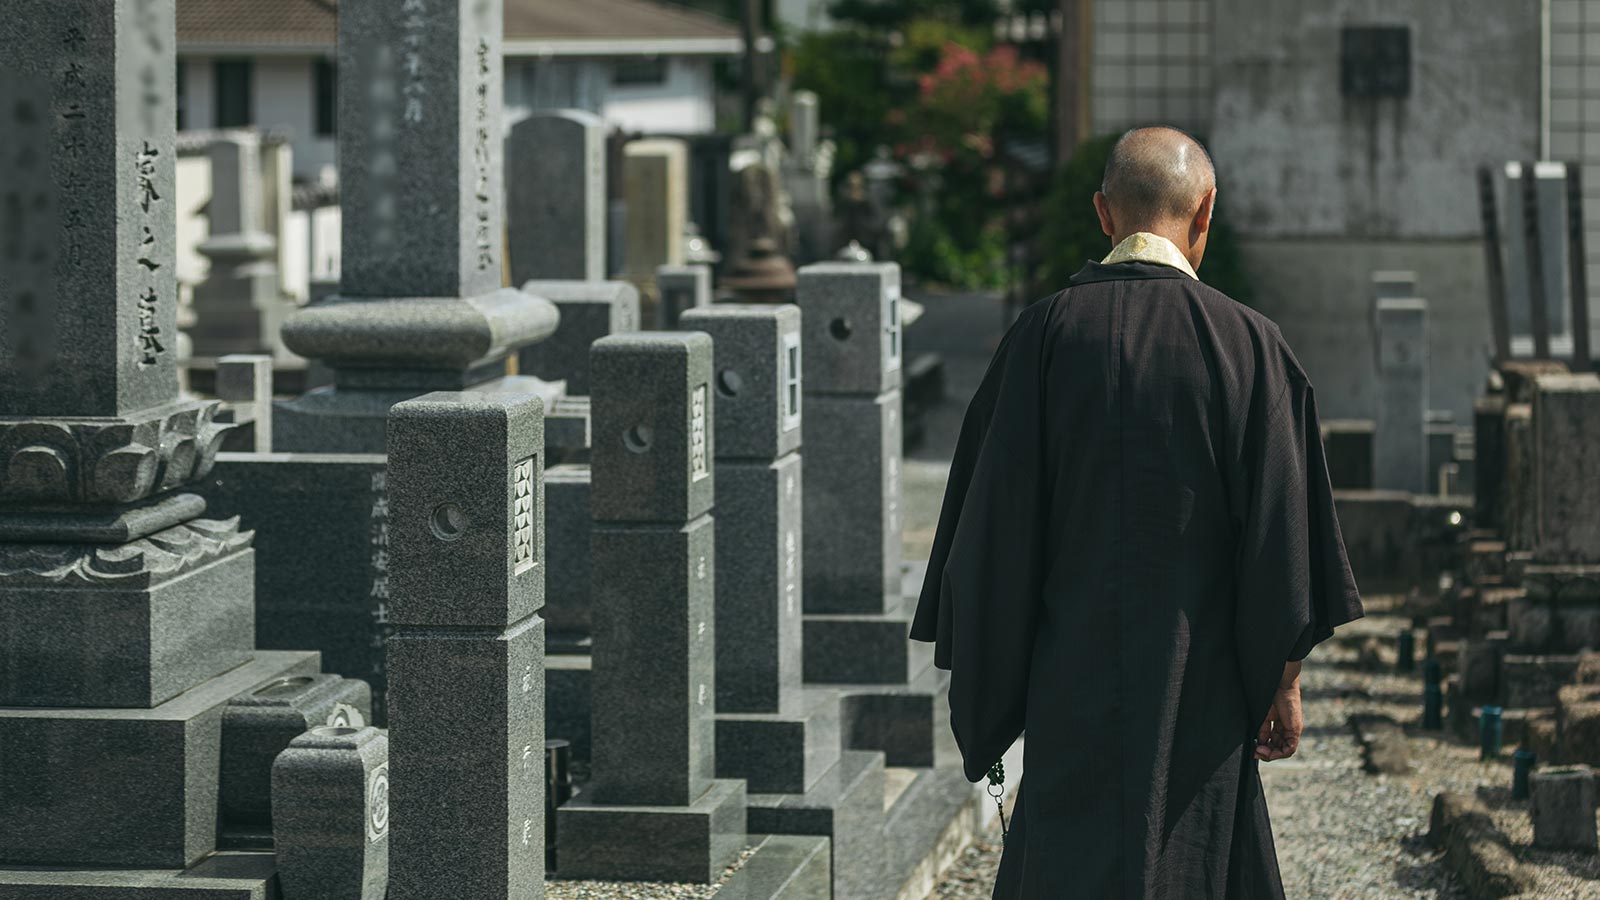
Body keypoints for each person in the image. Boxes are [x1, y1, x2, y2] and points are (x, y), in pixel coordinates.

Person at [910, 126, 1364, 898]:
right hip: (1204, 692)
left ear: (1102, 214)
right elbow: (1286, 543)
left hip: (1071, 681)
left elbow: (988, 538)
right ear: (1205, 212)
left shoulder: (1040, 340)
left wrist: (992, 700)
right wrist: (1282, 684)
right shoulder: (1253, 347)